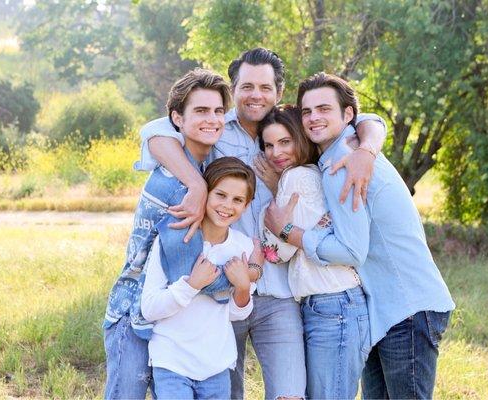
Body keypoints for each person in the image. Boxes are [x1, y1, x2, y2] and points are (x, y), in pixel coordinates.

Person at [138, 48, 388, 400]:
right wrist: (196, 184)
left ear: (278, 92)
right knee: (226, 390)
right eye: (247, 86)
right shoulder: (213, 129)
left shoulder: (296, 129)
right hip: (224, 287)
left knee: (290, 394)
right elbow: (154, 133)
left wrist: (367, 149)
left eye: (265, 88)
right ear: (234, 89)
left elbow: (368, 120)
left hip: (281, 291)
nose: (257, 95)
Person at [264, 72, 455, 400]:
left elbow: (352, 251)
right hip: (381, 308)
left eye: (324, 108)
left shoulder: (343, 164)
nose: (314, 118)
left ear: (347, 114)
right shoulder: (346, 151)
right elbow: (371, 119)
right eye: (307, 111)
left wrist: (288, 231)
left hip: (406, 308)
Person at [102, 69, 261, 400]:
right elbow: (194, 272)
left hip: (171, 322)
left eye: (218, 111)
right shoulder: (177, 185)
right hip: (135, 314)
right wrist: (249, 273)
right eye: (201, 111)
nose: (213, 119)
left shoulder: (197, 173)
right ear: (177, 118)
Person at [258, 105, 370, 399]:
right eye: (268, 145)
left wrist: (270, 224)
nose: (275, 153)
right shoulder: (313, 173)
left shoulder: (295, 178)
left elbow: (279, 252)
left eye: (285, 142)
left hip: (331, 302)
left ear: (300, 137)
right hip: (336, 300)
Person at [141, 157, 257, 400]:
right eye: (220, 195)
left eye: (237, 200)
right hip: (171, 361)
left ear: (246, 205)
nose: (227, 205)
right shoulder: (172, 238)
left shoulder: (242, 248)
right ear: (205, 193)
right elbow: (149, 308)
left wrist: (243, 285)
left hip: (216, 365)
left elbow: (237, 314)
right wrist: (192, 285)